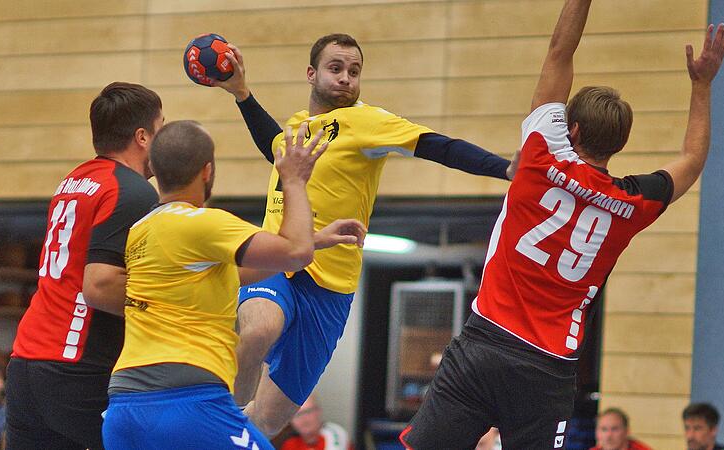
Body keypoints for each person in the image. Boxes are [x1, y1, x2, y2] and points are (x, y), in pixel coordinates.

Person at [399, 0, 724, 447]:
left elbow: (560, 51)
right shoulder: (632, 203)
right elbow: (692, 159)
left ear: (571, 130)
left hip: (484, 344)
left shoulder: (541, 152)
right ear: (620, 143)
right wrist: (702, 85)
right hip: (547, 369)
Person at [214, 33, 516, 436]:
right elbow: (275, 149)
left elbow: (438, 146)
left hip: (329, 289)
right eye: (335, 68)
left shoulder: (369, 122)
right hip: (280, 259)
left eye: (353, 71)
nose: (345, 78)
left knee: (268, 420)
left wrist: (504, 169)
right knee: (257, 330)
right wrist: (242, 94)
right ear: (311, 73)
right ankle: (214, 426)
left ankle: (228, 434)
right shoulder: (297, 127)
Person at [101, 120, 365, 450]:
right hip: (186, 401)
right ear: (207, 171)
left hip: (123, 407)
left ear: (154, 169)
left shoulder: (141, 229)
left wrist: (315, 240)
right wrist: (294, 181)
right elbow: (295, 253)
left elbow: (240, 271)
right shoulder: (204, 223)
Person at [5, 82, 163, 450]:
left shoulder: (74, 181)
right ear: (142, 137)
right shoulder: (133, 190)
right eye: (161, 128)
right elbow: (100, 286)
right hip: (75, 364)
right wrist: (172, 304)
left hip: (26, 361)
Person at [280, 394, 353, 450]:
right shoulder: (290, 444)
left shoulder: (334, 433)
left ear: (319, 411)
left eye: (308, 412)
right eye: (297, 415)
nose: (304, 419)